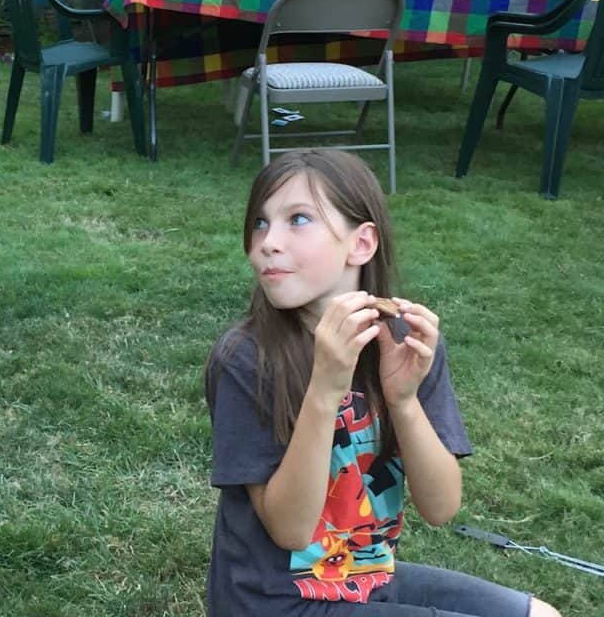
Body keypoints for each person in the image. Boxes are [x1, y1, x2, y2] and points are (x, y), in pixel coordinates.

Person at [204, 150, 560, 617]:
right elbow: (290, 530)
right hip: (274, 601)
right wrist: (325, 391)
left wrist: (405, 400)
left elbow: (441, 506)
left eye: (298, 219)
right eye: (260, 223)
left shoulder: (403, 342)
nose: (268, 242)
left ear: (362, 243)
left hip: (366, 578)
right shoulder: (247, 359)